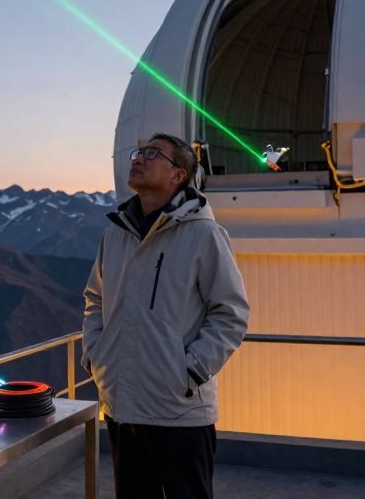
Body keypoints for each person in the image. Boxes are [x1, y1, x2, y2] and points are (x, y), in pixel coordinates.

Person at [81, 132, 250, 498]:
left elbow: (231, 313)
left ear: (178, 176)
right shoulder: (115, 234)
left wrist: (189, 372)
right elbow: (95, 299)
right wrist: (96, 357)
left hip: (179, 412)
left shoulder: (203, 234)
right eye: (138, 151)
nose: (138, 158)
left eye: (153, 154)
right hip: (122, 406)